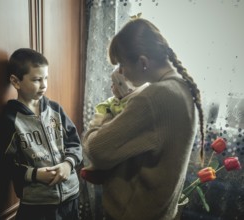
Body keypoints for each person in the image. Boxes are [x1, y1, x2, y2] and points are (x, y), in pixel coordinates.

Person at [82, 18, 205, 220]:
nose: (121, 72)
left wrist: (101, 119)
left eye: (122, 64)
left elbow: (96, 151)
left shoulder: (155, 97)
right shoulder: (182, 88)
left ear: (143, 62)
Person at [0, 48, 83, 220]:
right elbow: (6, 164)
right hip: (37, 205)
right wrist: (35, 174)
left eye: (46, 78)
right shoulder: (10, 120)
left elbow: (75, 143)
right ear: (16, 81)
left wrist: (68, 164)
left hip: (71, 196)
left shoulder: (55, 109)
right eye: (37, 79)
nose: (44, 84)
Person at [81, 67, 148, 184]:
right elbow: (102, 108)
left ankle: (100, 169)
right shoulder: (114, 101)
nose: (111, 87)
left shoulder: (133, 104)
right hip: (105, 132)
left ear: (124, 87)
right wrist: (98, 121)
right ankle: (96, 168)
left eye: (114, 84)